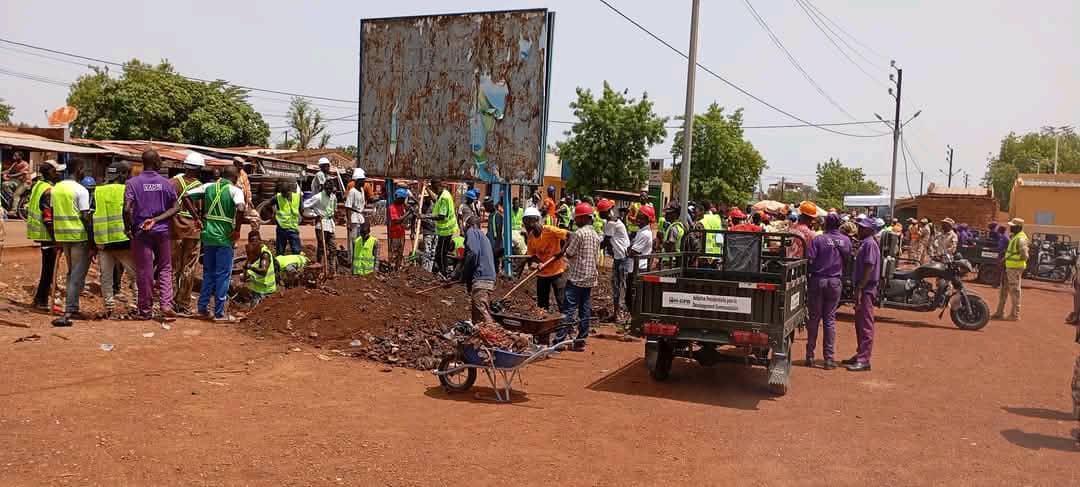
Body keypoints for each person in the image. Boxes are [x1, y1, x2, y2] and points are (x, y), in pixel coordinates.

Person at [123, 150, 180, 321]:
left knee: (144, 270)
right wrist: (156, 219)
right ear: (155, 162)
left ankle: (145, 311)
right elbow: (176, 207)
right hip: (162, 231)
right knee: (165, 267)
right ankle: (166, 304)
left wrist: (129, 228)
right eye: (160, 160)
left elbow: (126, 209)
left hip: (141, 231)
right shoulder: (166, 183)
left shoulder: (132, 183)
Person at [185, 165, 245, 322]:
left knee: (208, 273)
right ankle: (219, 313)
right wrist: (237, 229)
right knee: (223, 275)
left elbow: (185, 196)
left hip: (208, 236)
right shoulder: (235, 190)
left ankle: (202, 308)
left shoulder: (208, 186)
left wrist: (197, 218)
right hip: (224, 237)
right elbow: (241, 207)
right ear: (236, 177)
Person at [48, 162, 96, 326]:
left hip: (62, 236)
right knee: (76, 274)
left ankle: (72, 307)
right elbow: (85, 217)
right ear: (78, 169)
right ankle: (70, 310)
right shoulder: (80, 190)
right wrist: (92, 242)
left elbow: (54, 214)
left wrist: (56, 239)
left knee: (72, 273)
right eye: (83, 169)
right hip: (78, 236)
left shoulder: (56, 188)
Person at [805, 213, 851, 369]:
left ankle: (810, 356)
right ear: (839, 225)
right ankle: (829, 359)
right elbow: (848, 260)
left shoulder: (818, 239)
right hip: (835, 282)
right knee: (829, 321)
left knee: (814, 319)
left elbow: (809, 259)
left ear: (825, 224)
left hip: (818, 281)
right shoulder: (846, 240)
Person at [93, 161, 138, 316]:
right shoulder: (128, 190)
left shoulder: (98, 191)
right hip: (123, 240)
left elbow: (89, 215)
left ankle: (109, 308)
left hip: (103, 241)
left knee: (106, 276)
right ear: (122, 175)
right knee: (135, 275)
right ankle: (138, 305)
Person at [555, 202, 602, 351]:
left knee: (569, 309)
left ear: (583, 218)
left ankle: (559, 341)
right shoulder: (595, 235)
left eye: (577, 218)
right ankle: (581, 341)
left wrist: (566, 244)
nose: (575, 221)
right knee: (584, 309)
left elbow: (569, 253)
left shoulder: (579, 234)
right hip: (590, 278)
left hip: (576, 277)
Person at [170, 152, 205, 316]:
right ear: (199, 169)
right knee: (188, 267)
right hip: (192, 230)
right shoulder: (200, 186)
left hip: (174, 229)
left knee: (171, 266)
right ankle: (183, 303)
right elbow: (203, 210)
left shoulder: (173, 183)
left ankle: (168, 301)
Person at [27, 160, 64, 310]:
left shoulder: (38, 186)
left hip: (40, 232)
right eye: (57, 171)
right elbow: (47, 217)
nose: (59, 174)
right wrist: (56, 239)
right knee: (48, 269)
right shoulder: (49, 190)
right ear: (51, 172)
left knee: (47, 268)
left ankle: (39, 298)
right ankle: (41, 300)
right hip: (47, 234)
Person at [845, 217, 881, 372]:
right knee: (859, 323)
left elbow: (869, 267)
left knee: (865, 325)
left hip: (866, 288)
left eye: (862, 228)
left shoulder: (870, 244)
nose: (859, 230)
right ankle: (860, 353)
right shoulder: (865, 243)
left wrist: (860, 287)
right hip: (862, 287)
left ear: (870, 230)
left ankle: (864, 359)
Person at [522, 206, 568, 313]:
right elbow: (532, 258)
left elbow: (570, 236)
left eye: (529, 221)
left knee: (562, 301)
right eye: (525, 222)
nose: (527, 225)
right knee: (542, 305)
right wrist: (536, 265)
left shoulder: (550, 230)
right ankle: (545, 325)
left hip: (557, 272)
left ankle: (568, 326)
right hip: (542, 274)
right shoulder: (531, 238)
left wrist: (561, 252)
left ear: (536, 220)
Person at [454, 216, 497, 324]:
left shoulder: (472, 232)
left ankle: (494, 336)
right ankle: (480, 336)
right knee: (477, 316)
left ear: (469, 225)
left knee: (481, 311)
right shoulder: (483, 237)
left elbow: (473, 253)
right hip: (487, 278)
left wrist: (464, 274)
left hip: (482, 278)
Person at [599, 199, 631, 320]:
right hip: (620, 257)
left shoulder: (611, 223)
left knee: (619, 285)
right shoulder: (612, 221)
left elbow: (605, 242)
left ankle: (619, 314)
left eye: (601, 212)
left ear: (607, 211)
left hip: (622, 258)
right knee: (618, 284)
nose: (600, 215)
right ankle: (618, 313)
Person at [993, 218, 1028, 321]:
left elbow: (1025, 255)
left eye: (1012, 225)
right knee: (1003, 290)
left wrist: (1015, 261)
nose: (1010, 227)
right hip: (1009, 267)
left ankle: (1015, 315)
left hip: (1015, 268)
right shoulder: (1015, 237)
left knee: (1015, 290)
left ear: (1018, 227)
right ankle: (1000, 312)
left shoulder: (1021, 238)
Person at [423, 179, 457, 277]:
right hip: (445, 229)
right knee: (440, 253)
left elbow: (441, 216)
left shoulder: (444, 198)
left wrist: (424, 216)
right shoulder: (444, 194)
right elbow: (435, 198)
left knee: (440, 255)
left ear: (436, 186)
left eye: (433, 187)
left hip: (446, 230)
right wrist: (427, 188)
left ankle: (444, 274)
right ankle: (443, 272)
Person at [303, 183, 338, 274]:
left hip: (330, 224)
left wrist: (334, 215)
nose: (330, 192)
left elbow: (334, 208)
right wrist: (315, 215)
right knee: (322, 247)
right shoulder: (318, 197)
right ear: (325, 189)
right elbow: (305, 205)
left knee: (333, 247)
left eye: (331, 190)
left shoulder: (333, 196)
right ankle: (320, 267)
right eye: (329, 190)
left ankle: (331, 270)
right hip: (321, 224)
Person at [243, 230, 275, 306]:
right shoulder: (253, 252)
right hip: (256, 289)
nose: (253, 243)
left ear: (260, 241)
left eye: (255, 241)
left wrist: (250, 267)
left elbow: (263, 271)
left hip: (266, 291)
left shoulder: (265, 254)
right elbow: (247, 270)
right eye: (251, 241)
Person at [271, 179, 301, 256]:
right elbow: (268, 204)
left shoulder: (297, 197)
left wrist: (299, 216)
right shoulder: (277, 197)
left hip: (293, 228)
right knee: (280, 252)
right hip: (282, 228)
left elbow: (301, 209)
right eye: (282, 193)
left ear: (290, 191)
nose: (283, 195)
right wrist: (273, 213)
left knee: (296, 251)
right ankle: (279, 267)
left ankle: (296, 266)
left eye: (285, 193)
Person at [344, 168, 366, 264]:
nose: (364, 182)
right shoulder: (352, 191)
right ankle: (351, 261)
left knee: (359, 240)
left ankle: (357, 258)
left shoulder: (361, 190)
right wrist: (348, 221)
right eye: (362, 180)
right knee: (352, 240)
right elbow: (348, 207)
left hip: (360, 217)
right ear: (357, 181)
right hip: (353, 218)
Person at [387, 188, 412, 271]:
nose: (404, 201)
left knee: (400, 253)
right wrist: (408, 213)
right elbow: (397, 220)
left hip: (401, 233)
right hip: (395, 234)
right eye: (403, 199)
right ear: (399, 198)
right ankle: (392, 270)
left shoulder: (401, 206)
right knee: (394, 253)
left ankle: (397, 269)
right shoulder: (392, 207)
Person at [233, 157, 257, 231]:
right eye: (239, 165)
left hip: (244, 200)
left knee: (255, 217)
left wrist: (249, 199)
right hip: (234, 202)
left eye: (242, 165)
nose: (241, 167)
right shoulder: (231, 173)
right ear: (235, 164)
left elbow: (247, 187)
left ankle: (254, 236)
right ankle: (233, 237)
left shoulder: (244, 174)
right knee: (234, 221)